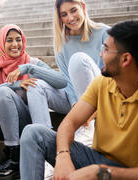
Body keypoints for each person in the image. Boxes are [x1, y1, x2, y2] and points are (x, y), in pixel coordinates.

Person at [20, 20, 138, 180]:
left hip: (130, 174)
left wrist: (102, 172)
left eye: (106, 49)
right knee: (34, 133)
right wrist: (63, 155)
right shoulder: (102, 82)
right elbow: (69, 123)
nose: (101, 54)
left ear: (125, 59)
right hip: (95, 160)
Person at [0, 24, 67, 176]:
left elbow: (62, 82)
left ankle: (14, 156)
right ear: (2, 43)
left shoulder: (33, 63)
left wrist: (29, 69)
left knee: (3, 92)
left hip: (23, 124)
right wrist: (15, 84)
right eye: (9, 40)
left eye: (18, 39)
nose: (15, 44)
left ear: (23, 41)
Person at [26, 0, 110, 147]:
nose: (70, 18)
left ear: (82, 7)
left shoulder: (105, 33)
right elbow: (67, 80)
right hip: (75, 100)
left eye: (73, 10)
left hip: (101, 95)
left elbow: (111, 75)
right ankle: (45, 142)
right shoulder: (62, 42)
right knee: (35, 85)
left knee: (78, 59)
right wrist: (75, 104)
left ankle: (87, 127)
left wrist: (85, 109)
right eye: (64, 14)